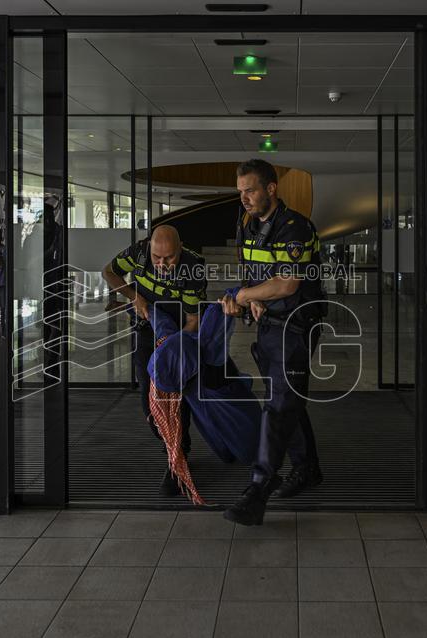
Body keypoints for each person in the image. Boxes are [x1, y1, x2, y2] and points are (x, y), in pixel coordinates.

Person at [221, 158, 326, 526]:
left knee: (279, 406)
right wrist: (250, 302)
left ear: (270, 189)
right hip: (269, 327)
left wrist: (248, 295)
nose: (244, 198)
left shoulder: (294, 227)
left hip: (296, 329)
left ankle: (258, 488)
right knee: (288, 402)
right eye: (240, 192)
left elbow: (287, 283)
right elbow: (259, 279)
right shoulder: (251, 228)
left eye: (250, 190)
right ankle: (306, 468)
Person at [102, 224, 207, 495]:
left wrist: (170, 347)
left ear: (180, 249)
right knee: (149, 405)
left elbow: (194, 321)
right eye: (157, 258)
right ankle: (171, 445)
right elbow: (108, 271)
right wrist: (134, 296)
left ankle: (176, 460)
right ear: (149, 248)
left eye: (169, 258)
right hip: (146, 333)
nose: (162, 264)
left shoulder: (193, 267)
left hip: (178, 338)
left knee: (175, 400)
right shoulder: (138, 253)